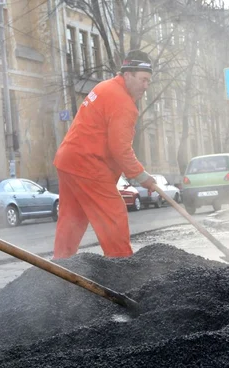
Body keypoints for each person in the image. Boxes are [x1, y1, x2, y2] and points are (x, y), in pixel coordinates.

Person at [53, 50, 156, 259]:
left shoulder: (104, 87)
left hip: (68, 159)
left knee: (72, 217)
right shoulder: (123, 103)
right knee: (113, 214)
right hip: (88, 163)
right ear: (127, 75)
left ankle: (59, 268)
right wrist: (142, 176)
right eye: (143, 80)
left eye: (148, 81)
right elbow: (120, 148)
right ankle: (122, 266)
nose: (146, 86)